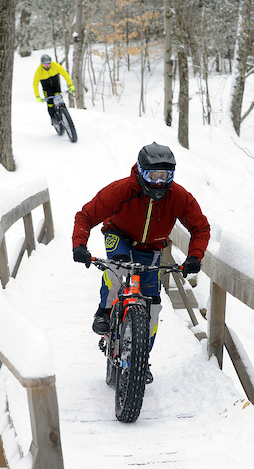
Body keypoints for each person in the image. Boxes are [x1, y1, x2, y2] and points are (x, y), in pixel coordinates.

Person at [71, 142, 210, 383]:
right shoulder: (122, 190)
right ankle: (104, 311)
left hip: (152, 247)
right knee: (118, 265)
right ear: (140, 172)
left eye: (165, 176)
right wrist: (79, 245)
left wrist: (194, 257)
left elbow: (201, 228)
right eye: (152, 176)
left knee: (153, 304)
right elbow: (86, 215)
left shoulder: (178, 197)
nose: (158, 183)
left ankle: (141, 359)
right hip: (119, 236)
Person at [33, 54, 75, 123]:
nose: (47, 66)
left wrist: (70, 84)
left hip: (55, 84)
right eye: (45, 64)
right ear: (42, 64)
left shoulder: (55, 65)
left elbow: (65, 74)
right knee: (50, 103)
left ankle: (64, 113)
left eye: (49, 64)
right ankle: (53, 118)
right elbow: (35, 84)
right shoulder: (39, 71)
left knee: (59, 98)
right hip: (46, 86)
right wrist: (37, 96)